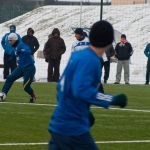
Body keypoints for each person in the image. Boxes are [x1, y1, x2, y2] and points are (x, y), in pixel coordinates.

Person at [48, 21, 128, 150]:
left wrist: (83, 112)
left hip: (59, 124)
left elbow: (62, 88)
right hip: (73, 129)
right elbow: (81, 90)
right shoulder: (91, 60)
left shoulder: (78, 56)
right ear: (108, 42)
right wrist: (112, 99)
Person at [0, 33, 36, 103]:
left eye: (10, 40)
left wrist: (23, 51)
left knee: (26, 87)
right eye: (9, 40)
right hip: (20, 68)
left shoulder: (21, 45)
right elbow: (16, 55)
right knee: (10, 78)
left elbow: (28, 50)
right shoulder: (15, 47)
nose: (9, 42)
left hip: (29, 68)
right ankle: (3, 93)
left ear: (15, 40)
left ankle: (33, 95)